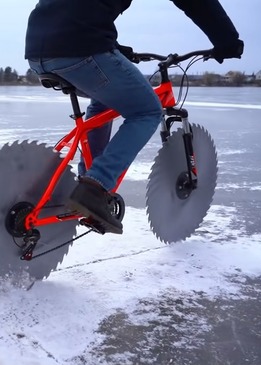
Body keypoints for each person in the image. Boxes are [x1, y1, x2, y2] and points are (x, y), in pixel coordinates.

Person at [25, 0, 243, 234]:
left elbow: (74, 9)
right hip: (81, 47)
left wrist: (116, 48)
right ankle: (94, 187)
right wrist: (227, 40)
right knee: (147, 111)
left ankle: (87, 180)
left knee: (104, 100)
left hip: (38, 50)